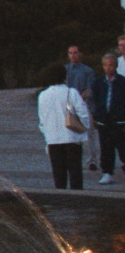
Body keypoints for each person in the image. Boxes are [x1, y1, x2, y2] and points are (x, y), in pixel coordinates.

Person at [37, 62, 93, 190]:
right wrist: (83, 128)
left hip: (53, 140)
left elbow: (42, 120)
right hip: (72, 138)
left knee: (58, 175)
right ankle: (78, 201)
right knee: (75, 173)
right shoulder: (71, 92)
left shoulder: (42, 96)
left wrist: (47, 135)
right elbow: (83, 113)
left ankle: (61, 200)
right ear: (64, 76)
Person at [90, 52, 125, 185]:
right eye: (105, 65)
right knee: (106, 148)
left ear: (115, 66)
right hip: (104, 120)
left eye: (111, 65)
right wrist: (95, 116)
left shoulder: (122, 82)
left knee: (122, 147)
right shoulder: (98, 82)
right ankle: (107, 172)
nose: (108, 68)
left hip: (119, 120)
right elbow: (94, 100)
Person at [64, 46, 98, 172]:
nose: (73, 55)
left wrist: (78, 99)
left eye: (75, 53)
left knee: (89, 134)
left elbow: (90, 89)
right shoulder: (65, 70)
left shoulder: (87, 71)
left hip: (83, 104)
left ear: (80, 54)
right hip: (69, 106)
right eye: (70, 53)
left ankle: (92, 160)